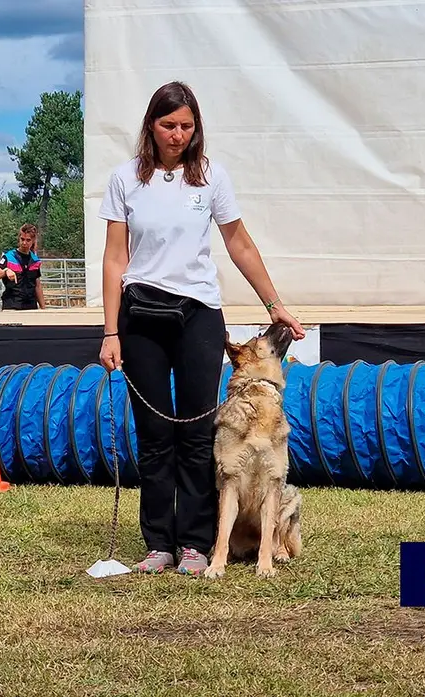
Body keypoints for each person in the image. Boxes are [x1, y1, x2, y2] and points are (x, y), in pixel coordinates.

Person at [97, 80, 306, 576]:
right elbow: (113, 258)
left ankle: (194, 542)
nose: (178, 135)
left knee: (196, 433)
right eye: (169, 126)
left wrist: (274, 303)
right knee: (153, 434)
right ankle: (158, 544)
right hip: (141, 316)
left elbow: (239, 243)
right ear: (152, 125)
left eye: (187, 127)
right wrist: (110, 331)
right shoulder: (125, 178)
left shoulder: (210, 176)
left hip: (198, 316)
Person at [0, 223, 45, 310]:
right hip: (12, 305)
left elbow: (37, 286)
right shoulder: (9, 256)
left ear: (33, 241)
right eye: (22, 239)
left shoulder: (35, 260)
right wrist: (5, 271)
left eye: (28, 240)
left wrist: (43, 308)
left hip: (31, 307)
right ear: (19, 238)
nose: (24, 243)